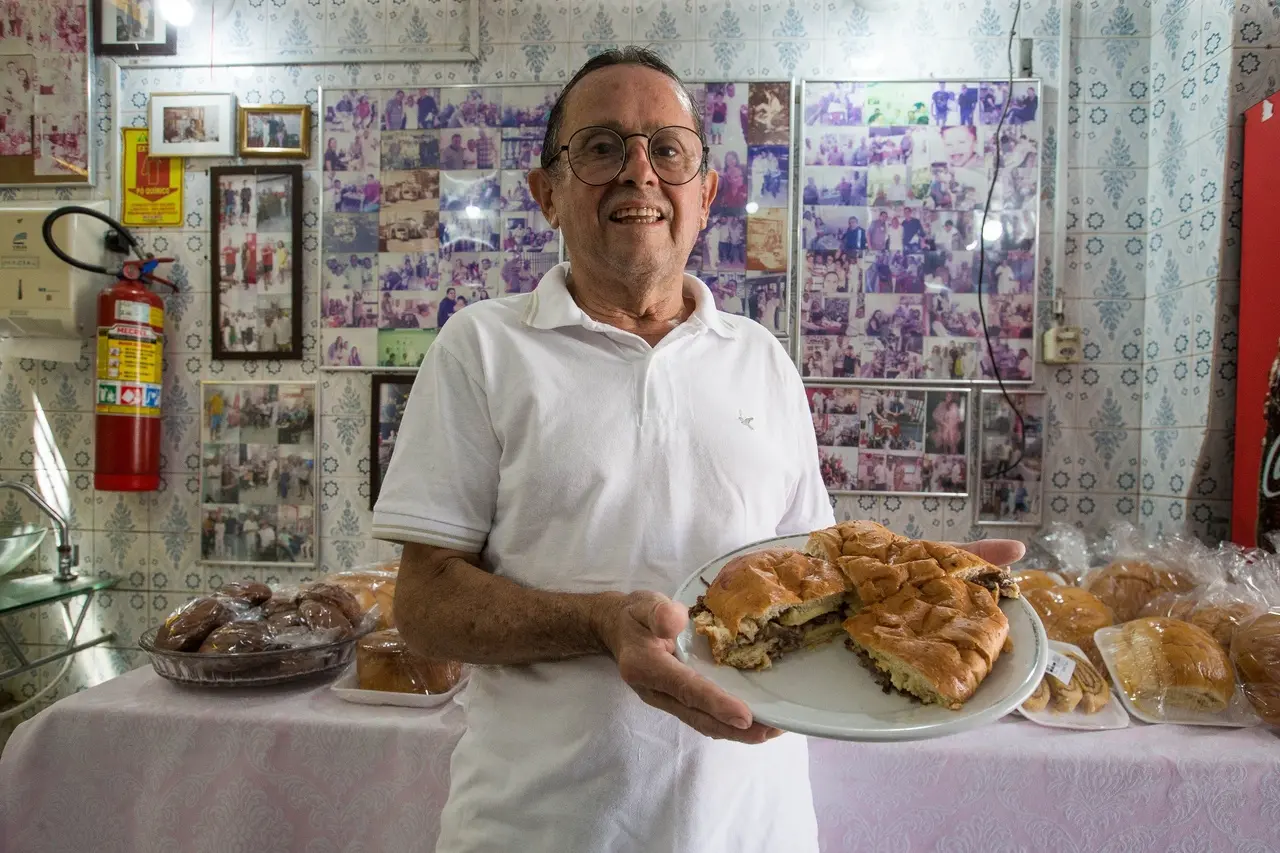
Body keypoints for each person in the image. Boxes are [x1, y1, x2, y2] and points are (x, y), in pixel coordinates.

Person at [371, 48, 1024, 853]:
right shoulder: (481, 348)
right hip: (539, 825)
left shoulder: (762, 359)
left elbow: (817, 566)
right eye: (602, 147)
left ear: (705, 194)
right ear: (547, 194)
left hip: (752, 826)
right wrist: (603, 623)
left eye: (667, 149)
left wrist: (932, 582)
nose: (639, 172)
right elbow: (425, 607)